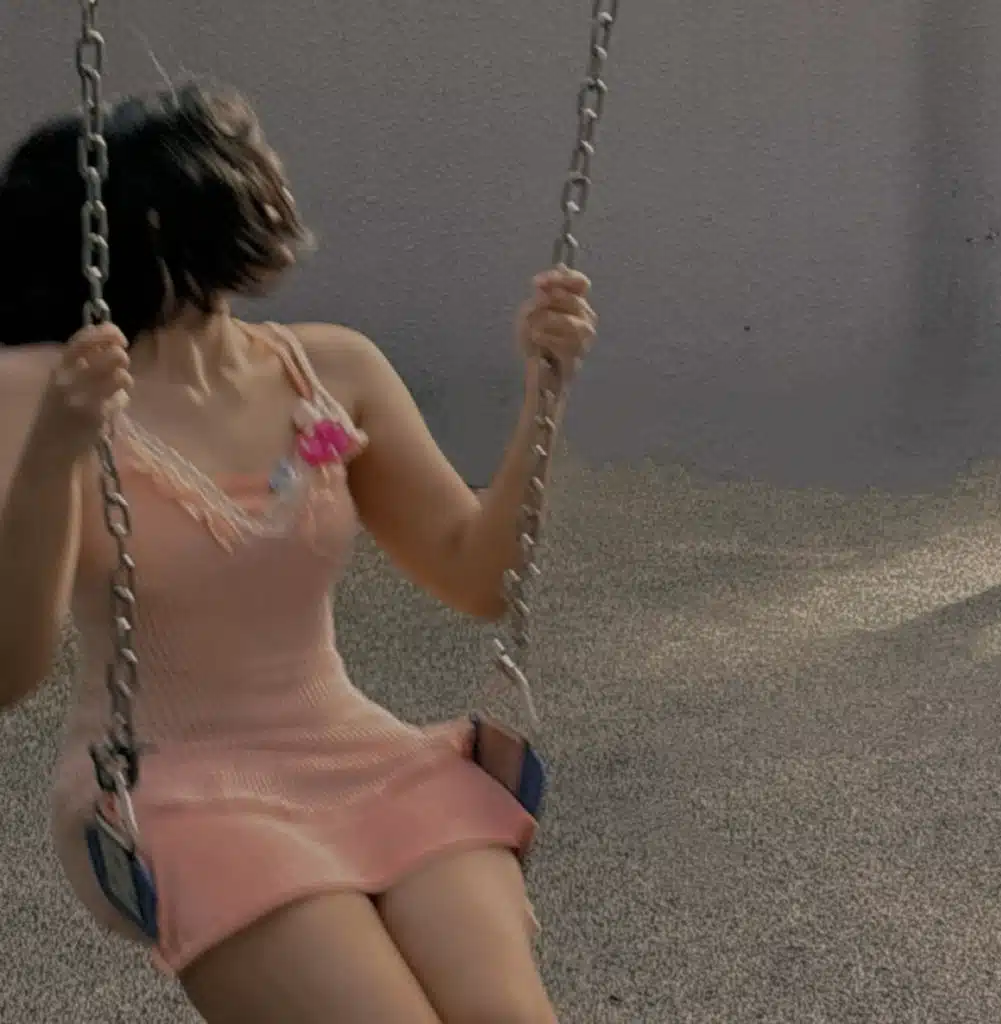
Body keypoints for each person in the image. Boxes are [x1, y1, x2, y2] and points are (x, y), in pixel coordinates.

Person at [0, 82, 596, 1024]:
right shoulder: (37, 389)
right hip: (170, 780)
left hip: (360, 754)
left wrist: (543, 393)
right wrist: (52, 456)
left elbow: (478, 575)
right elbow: (9, 671)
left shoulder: (331, 368)